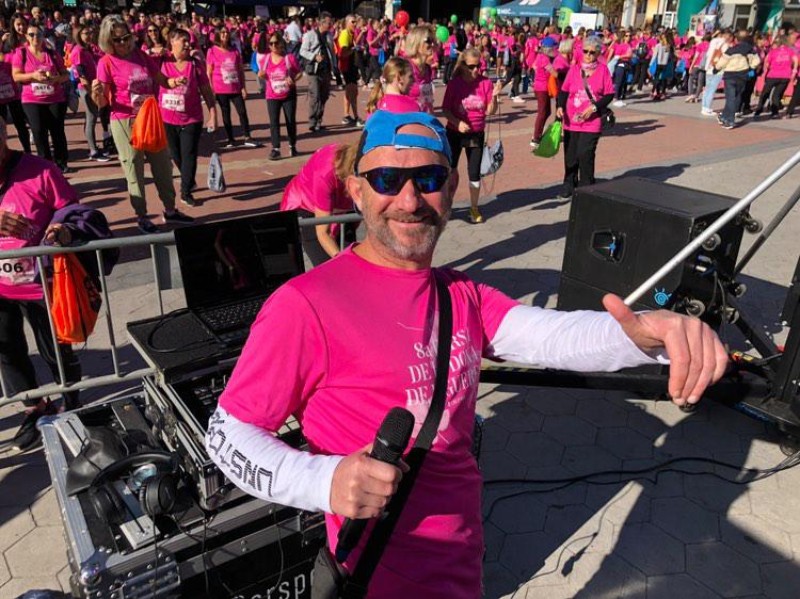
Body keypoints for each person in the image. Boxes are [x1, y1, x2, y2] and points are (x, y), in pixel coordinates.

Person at [205, 109, 728, 599]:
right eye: (387, 180)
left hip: (463, 566)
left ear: (452, 187)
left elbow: (549, 335)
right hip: (377, 576)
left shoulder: (460, 294)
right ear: (356, 191)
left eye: (429, 178)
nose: (409, 200)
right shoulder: (306, 305)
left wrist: (644, 335)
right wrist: (325, 481)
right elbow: (227, 434)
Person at [0, 115, 82, 451]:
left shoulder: (41, 171)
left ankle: (72, 401)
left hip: (41, 285)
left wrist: (60, 229)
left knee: (55, 349)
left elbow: (72, 211)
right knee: (7, 351)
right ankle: (34, 407)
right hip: (0, 289)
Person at [91, 14, 193, 234]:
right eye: (117, 40)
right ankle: (142, 216)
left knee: (163, 166)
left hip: (150, 118)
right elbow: (103, 102)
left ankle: (170, 210)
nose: (123, 43)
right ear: (108, 41)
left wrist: (174, 81)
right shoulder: (106, 62)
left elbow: (162, 80)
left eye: (126, 37)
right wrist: (95, 94)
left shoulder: (140, 55)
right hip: (125, 121)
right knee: (134, 169)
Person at [442, 48, 504, 225]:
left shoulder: (485, 83)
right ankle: (446, 205)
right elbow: (445, 109)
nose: (476, 70)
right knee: (450, 169)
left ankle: (474, 208)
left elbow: (490, 111)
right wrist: (457, 123)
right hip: (455, 132)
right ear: (463, 66)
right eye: (471, 67)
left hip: (476, 134)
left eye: (479, 66)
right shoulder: (455, 84)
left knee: (474, 172)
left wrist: (494, 97)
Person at [159, 29, 217, 206]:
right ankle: (189, 179)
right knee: (176, 156)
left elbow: (206, 91)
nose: (187, 44)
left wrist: (213, 114)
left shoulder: (195, 64)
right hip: (167, 119)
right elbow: (142, 58)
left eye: (188, 41)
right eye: (183, 41)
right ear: (172, 42)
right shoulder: (162, 62)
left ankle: (185, 192)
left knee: (189, 155)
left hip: (191, 119)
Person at [280, 143, 358, 265]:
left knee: (351, 255)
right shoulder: (325, 174)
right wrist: (341, 260)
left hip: (343, 202)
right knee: (328, 264)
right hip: (308, 204)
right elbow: (323, 233)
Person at [556, 35, 614, 199]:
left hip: (592, 122)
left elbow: (609, 94)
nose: (588, 55)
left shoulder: (603, 70)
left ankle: (586, 187)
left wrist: (594, 107)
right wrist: (560, 106)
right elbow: (564, 91)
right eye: (585, 51)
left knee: (585, 153)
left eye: (592, 52)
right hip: (571, 120)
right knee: (570, 155)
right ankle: (569, 183)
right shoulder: (574, 69)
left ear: (598, 53)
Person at [11, 24, 70, 172]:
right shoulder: (21, 53)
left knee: (57, 131)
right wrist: (33, 76)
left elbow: (66, 74)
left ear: (43, 36)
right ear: (26, 36)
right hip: (32, 100)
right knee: (38, 132)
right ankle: (45, 164)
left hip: (55, 99)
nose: (35, 37)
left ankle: (61, 163)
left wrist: (56, 79)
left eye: (38, 34)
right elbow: (16, 76)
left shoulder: (52, 53)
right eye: (31, 34)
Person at [206, 25, 258, 149]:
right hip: (220, 88)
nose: (225, 34)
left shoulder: (234, 50)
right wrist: (211, 89)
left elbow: (240, 70)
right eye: (222, 32)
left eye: (226, 32)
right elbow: (209, 72)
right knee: (226, 114)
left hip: (235, 87)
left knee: (242, 112)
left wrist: (243, 87)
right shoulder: (212, 51)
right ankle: (230, 139)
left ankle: (247, 137)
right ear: (217, 35)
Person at [70, 24, 110, 162]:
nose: (89, 36)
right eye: (86, 33)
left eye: (90, 33)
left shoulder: (88, 49)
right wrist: (90, 91)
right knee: (92, 117)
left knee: (90, 117)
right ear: (79, 35)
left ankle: (93, 147)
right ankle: (93, 151)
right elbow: (81, 74)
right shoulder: (78, 51)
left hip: (93, 86)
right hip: (86, 88)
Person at [259, 32, 302, 160]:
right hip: (272, 95)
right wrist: (261, 75)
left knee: (290, 121)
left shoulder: (289, 58)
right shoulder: (266, 59)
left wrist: (293, 79)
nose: (273, 46)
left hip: (289, 94)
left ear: (281, 43)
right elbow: (262, 73)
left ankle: (292, 145)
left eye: (276, 43)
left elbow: (299, 72)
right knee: (274, 122)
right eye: (271, 43)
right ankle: (275, 148)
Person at [715, 30, 760, 130]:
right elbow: (757, 61)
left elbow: (722, 61)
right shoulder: (751, 50)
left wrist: (716, 68)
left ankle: (730, 120)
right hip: (743, 76)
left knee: (730, 98)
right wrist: (750, 67)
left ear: (736, 39)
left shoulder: (732, 49)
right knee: (736, 97)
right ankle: (724, 116)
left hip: (730, 76)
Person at [300, 11, 334, 133]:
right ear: (321, 23)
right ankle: (312, 122)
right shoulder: (309, 35)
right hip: (313, 70)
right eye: (328, 23)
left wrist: (334, 66)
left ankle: (319, 120)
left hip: (326, 70)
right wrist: (314, 57)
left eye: (331, 23)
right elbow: (302, 51)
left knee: (324, 96)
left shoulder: (329, 35)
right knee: (315, 95)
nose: (330, 25)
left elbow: (332, 52)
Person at [0, 28, 31, 154]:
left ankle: (28, 151)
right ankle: (3, 153)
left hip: (14, 97)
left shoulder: (10, 56)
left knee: (20, 125)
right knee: (1, 128)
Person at [753, 35, 798, 119]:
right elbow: (795, 60)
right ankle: (774, 112)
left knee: (765, 93)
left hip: (773, 75)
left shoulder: (773, 51)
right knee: (776, 95)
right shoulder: (790, 51)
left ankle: (759, 110)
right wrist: (794, 70)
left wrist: (770, 68)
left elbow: (767, 62)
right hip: (785, 76)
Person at [530, 37, 558, 149]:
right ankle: (536, 137)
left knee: (547, 112)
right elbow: (554, 73)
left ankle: (539, 132)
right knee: (542, 112)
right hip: (542, 88)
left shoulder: (540, 56)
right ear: (549, 48)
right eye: (554, 47)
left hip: (541, 87)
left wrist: (539, 73)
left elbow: (534, 66)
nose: (555, 50)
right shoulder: (545, 59)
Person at [403, 25, 435, 114]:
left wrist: (431, 117)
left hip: (423, 117)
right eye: (428, 41)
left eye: (432, 40)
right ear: (416, 42)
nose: (432, 44)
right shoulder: (405, 67)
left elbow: (428, 99)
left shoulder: (427, 68)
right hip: (407, 117)